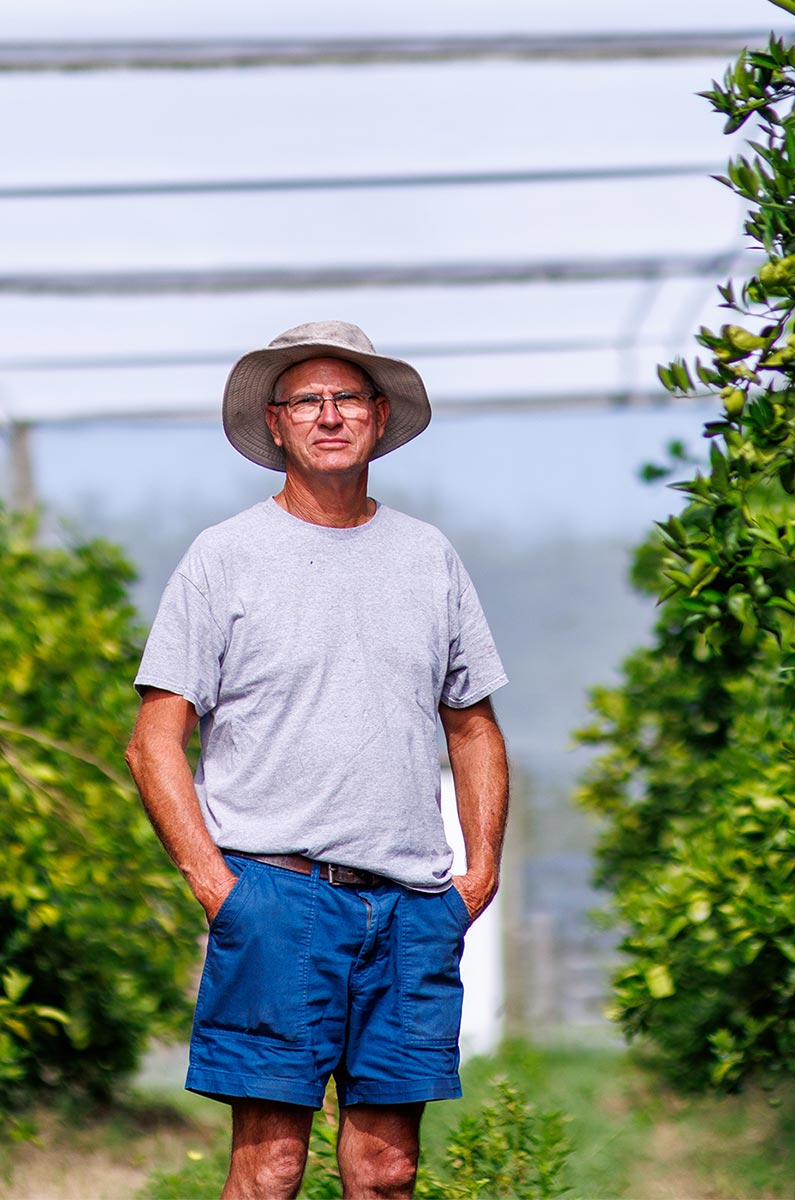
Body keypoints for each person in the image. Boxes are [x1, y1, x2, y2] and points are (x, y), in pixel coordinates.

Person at [125, 319, 509, 1200]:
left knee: (388, 1171)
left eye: (347, 398)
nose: (329, 416)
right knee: (271, 1168)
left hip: (412, 905)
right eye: (308, 401)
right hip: (277, 896)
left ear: (379, 416)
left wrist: (479, 871)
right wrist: (216, 885)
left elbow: (474, 723)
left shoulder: (428, 557)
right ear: (276, 423)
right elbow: (155, 739)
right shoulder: (225, 557)